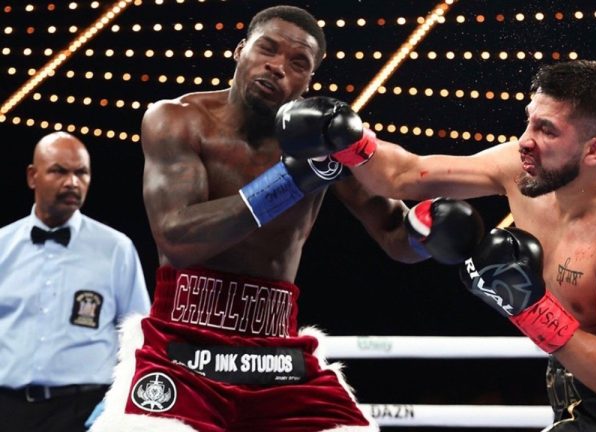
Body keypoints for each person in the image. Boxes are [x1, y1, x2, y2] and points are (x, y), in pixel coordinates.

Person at [90, 5, 483, 432]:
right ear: (241, 51)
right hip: (182, 345)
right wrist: (292, 180)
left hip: (275, 352)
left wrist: (431, 231)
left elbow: (392, 233)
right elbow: (178, 240)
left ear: (308, 82)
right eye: (267, 50)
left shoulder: (325, 140)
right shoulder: (179, 120)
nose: (277, 67)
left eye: (297, 63)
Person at [281, 60, 596, 430]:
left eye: (546, 130)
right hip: (575, 394)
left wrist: (527, 307)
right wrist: (352, 143)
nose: (525, 139)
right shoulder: (520, 169)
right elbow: (404, 176)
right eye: (529, 120)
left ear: (595, 150)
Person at [0, 131, 151, 432]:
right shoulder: (2, 245)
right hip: (7, 406)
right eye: (59, 171)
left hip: (84, 408)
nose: (72, 182)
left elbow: (139, 339)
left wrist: (114, 409)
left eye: (81, 172)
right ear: (33, 176)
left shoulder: (116, 248)